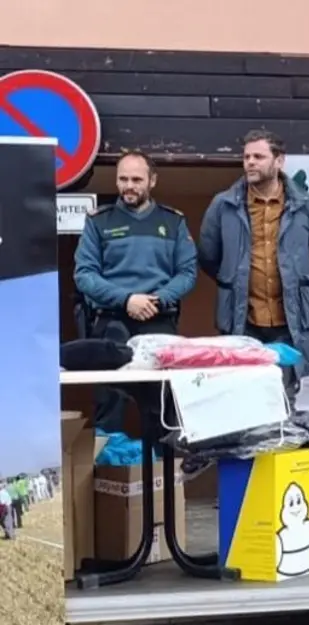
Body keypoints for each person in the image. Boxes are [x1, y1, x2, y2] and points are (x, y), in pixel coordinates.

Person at [197, 129, 309, 402]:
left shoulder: (306, 205)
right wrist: (234, 278)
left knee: (283, 400)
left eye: (258, 157)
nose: (250, 162)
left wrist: (296, 279)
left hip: (289, 322)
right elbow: (208, 256)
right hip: (242, 322)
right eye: (246, 157)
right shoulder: (223, 205)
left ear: (279, 161)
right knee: (242, 399)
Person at [74, 151, 197, 432]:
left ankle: (161, 472)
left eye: (136, 179)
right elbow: (84, 274)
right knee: (109, 402)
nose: (129, 186)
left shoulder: (173, 221)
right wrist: (127, 299)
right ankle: (107, 471)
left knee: (161, 405)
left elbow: (187, 273)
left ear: (152, 181)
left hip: (159, 319)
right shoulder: (98, 221)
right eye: (123, 179)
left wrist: (158, 299)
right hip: (111, 321)